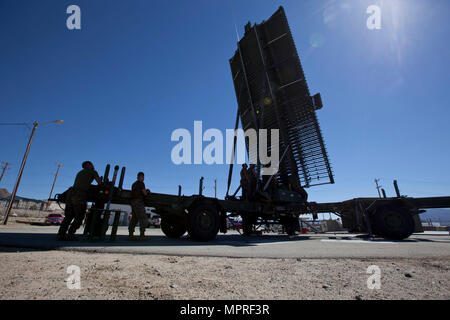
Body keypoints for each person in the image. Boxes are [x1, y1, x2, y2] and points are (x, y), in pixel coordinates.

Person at [57, 161, 102, 241]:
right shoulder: (92, 171)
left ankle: (61, 234)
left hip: (70, 194)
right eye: (91, 164)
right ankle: (70, 234)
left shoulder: (80, 172)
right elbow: (99, 183)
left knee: (68, 216)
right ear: (87, 165)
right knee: (79, 216)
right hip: (80, 194)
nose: (93, 165)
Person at [129, 172, 150, 241]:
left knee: (134, 219)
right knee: (143, 218)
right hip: (139, 202)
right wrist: (147, 192)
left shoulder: (134, 184)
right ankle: (142, 235)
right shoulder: (141, 184)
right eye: (142, 177)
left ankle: (131, 235)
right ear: (139, 177)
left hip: (133, 202)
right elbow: (144, 193)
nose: (143, 178)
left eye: (143, 177)